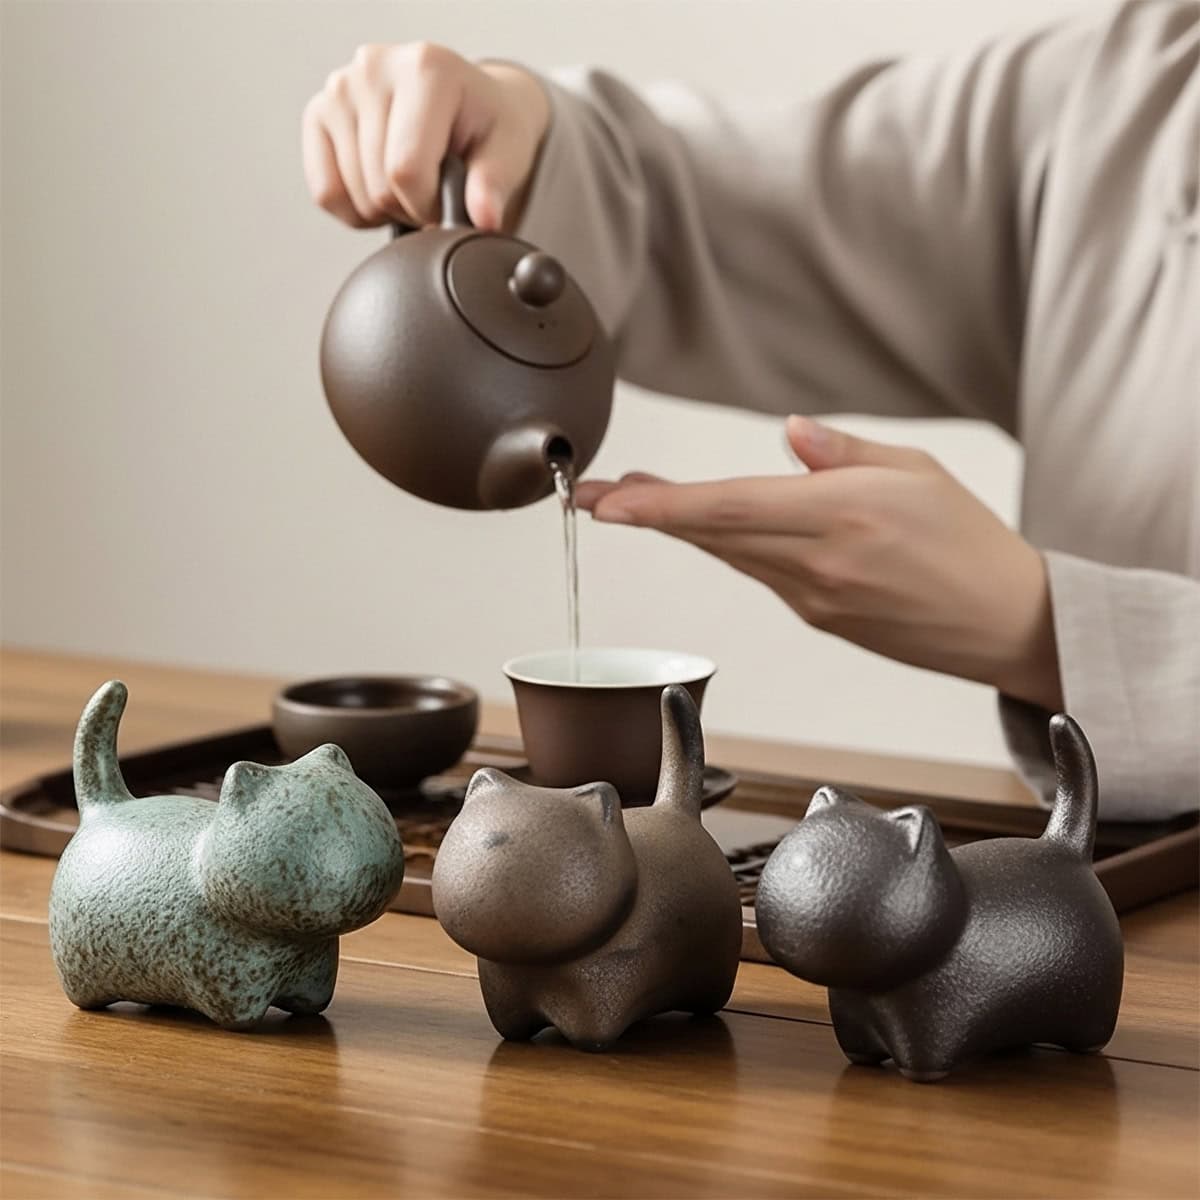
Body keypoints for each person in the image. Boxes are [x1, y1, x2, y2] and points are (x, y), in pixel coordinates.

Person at [302, 1, 1199, 820]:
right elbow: (725, 203)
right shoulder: (1137, 88)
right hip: (1116, 893)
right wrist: (523, 130)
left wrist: (1053, 629)